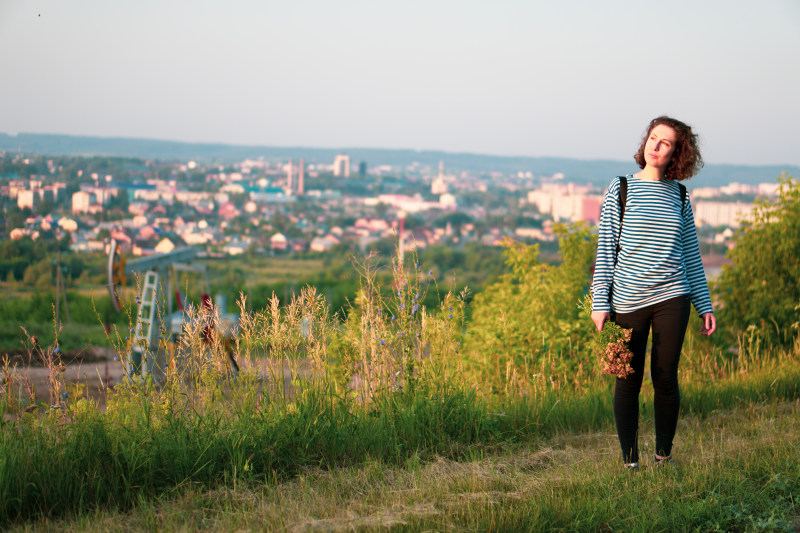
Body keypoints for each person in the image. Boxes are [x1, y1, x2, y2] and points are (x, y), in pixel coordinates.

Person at [590, 116, 716, 470]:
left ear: (678, 153)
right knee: (627, 381)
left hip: (673, 297)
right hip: (627, 300)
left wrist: (704, 304)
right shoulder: (621, 188)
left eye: (665, 143)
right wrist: (601, 301)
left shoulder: (679, 194)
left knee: (665, 377)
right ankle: (630, 461)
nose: (655, 146)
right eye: (653, 138)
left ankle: (663, 456)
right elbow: (605, 249)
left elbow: (691, 251)